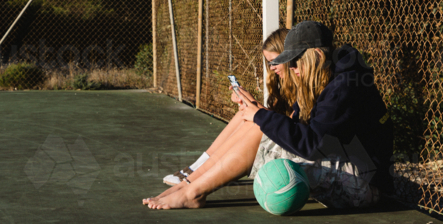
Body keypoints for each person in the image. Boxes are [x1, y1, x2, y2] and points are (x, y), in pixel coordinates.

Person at [143, 20, 393, 210]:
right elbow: (307, 131)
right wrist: (258, 113)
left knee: (259, 124)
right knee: (256, 121)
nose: (292, 69)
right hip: (345, 168)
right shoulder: (326, 78)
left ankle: (193, 192)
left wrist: (261, 117)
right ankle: (190, 184)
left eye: (295, 63)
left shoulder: (344, 86)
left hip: (364, 185)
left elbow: (311, 144)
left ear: (316, 56)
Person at [159, 28, 294, 186]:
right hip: (283, 140)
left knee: (254, 120)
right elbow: (277, 120)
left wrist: (255, 107)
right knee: (244, 114)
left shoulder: (303, 86)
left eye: (276, 62)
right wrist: (250, 105)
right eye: (269, 63)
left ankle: (197, 177)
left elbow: (288, 128)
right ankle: (196, 167)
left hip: (290, 149)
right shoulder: (286, 84)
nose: (272, 68)